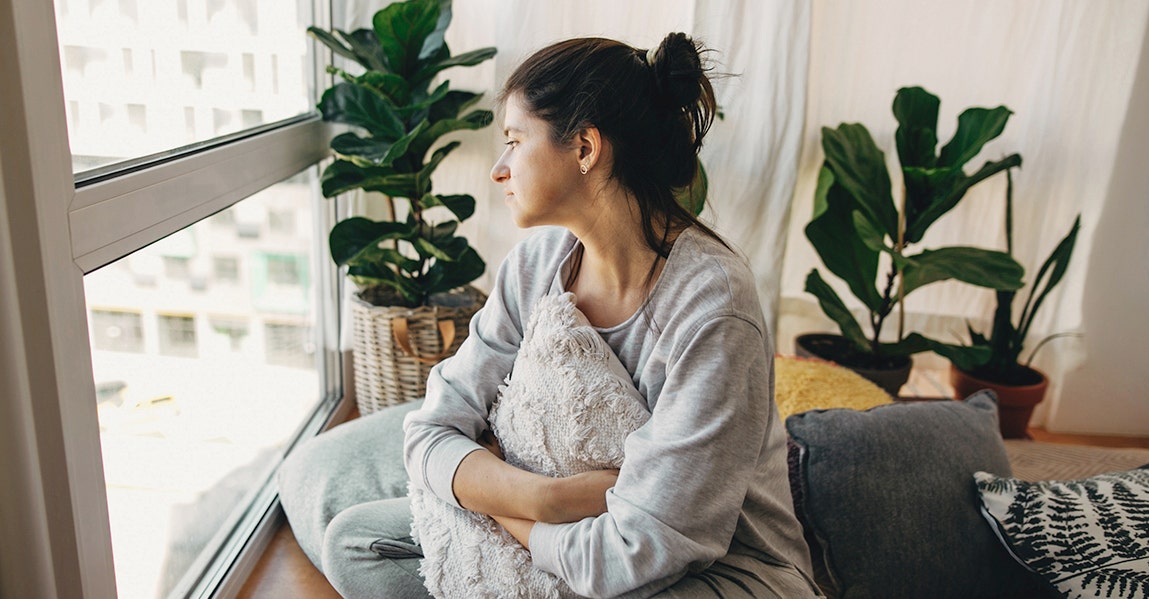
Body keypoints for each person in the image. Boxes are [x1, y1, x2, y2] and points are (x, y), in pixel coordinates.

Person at [279, 33, 821, 599]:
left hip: (712, 573)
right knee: (358, 541)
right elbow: (430, 430)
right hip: (564, 528)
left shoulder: (713, 308)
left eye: (514, 140)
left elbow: (638, 552)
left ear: (585, 149)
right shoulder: (536, 266)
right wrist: (544, 500)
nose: (498, 169)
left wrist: (501, 507)